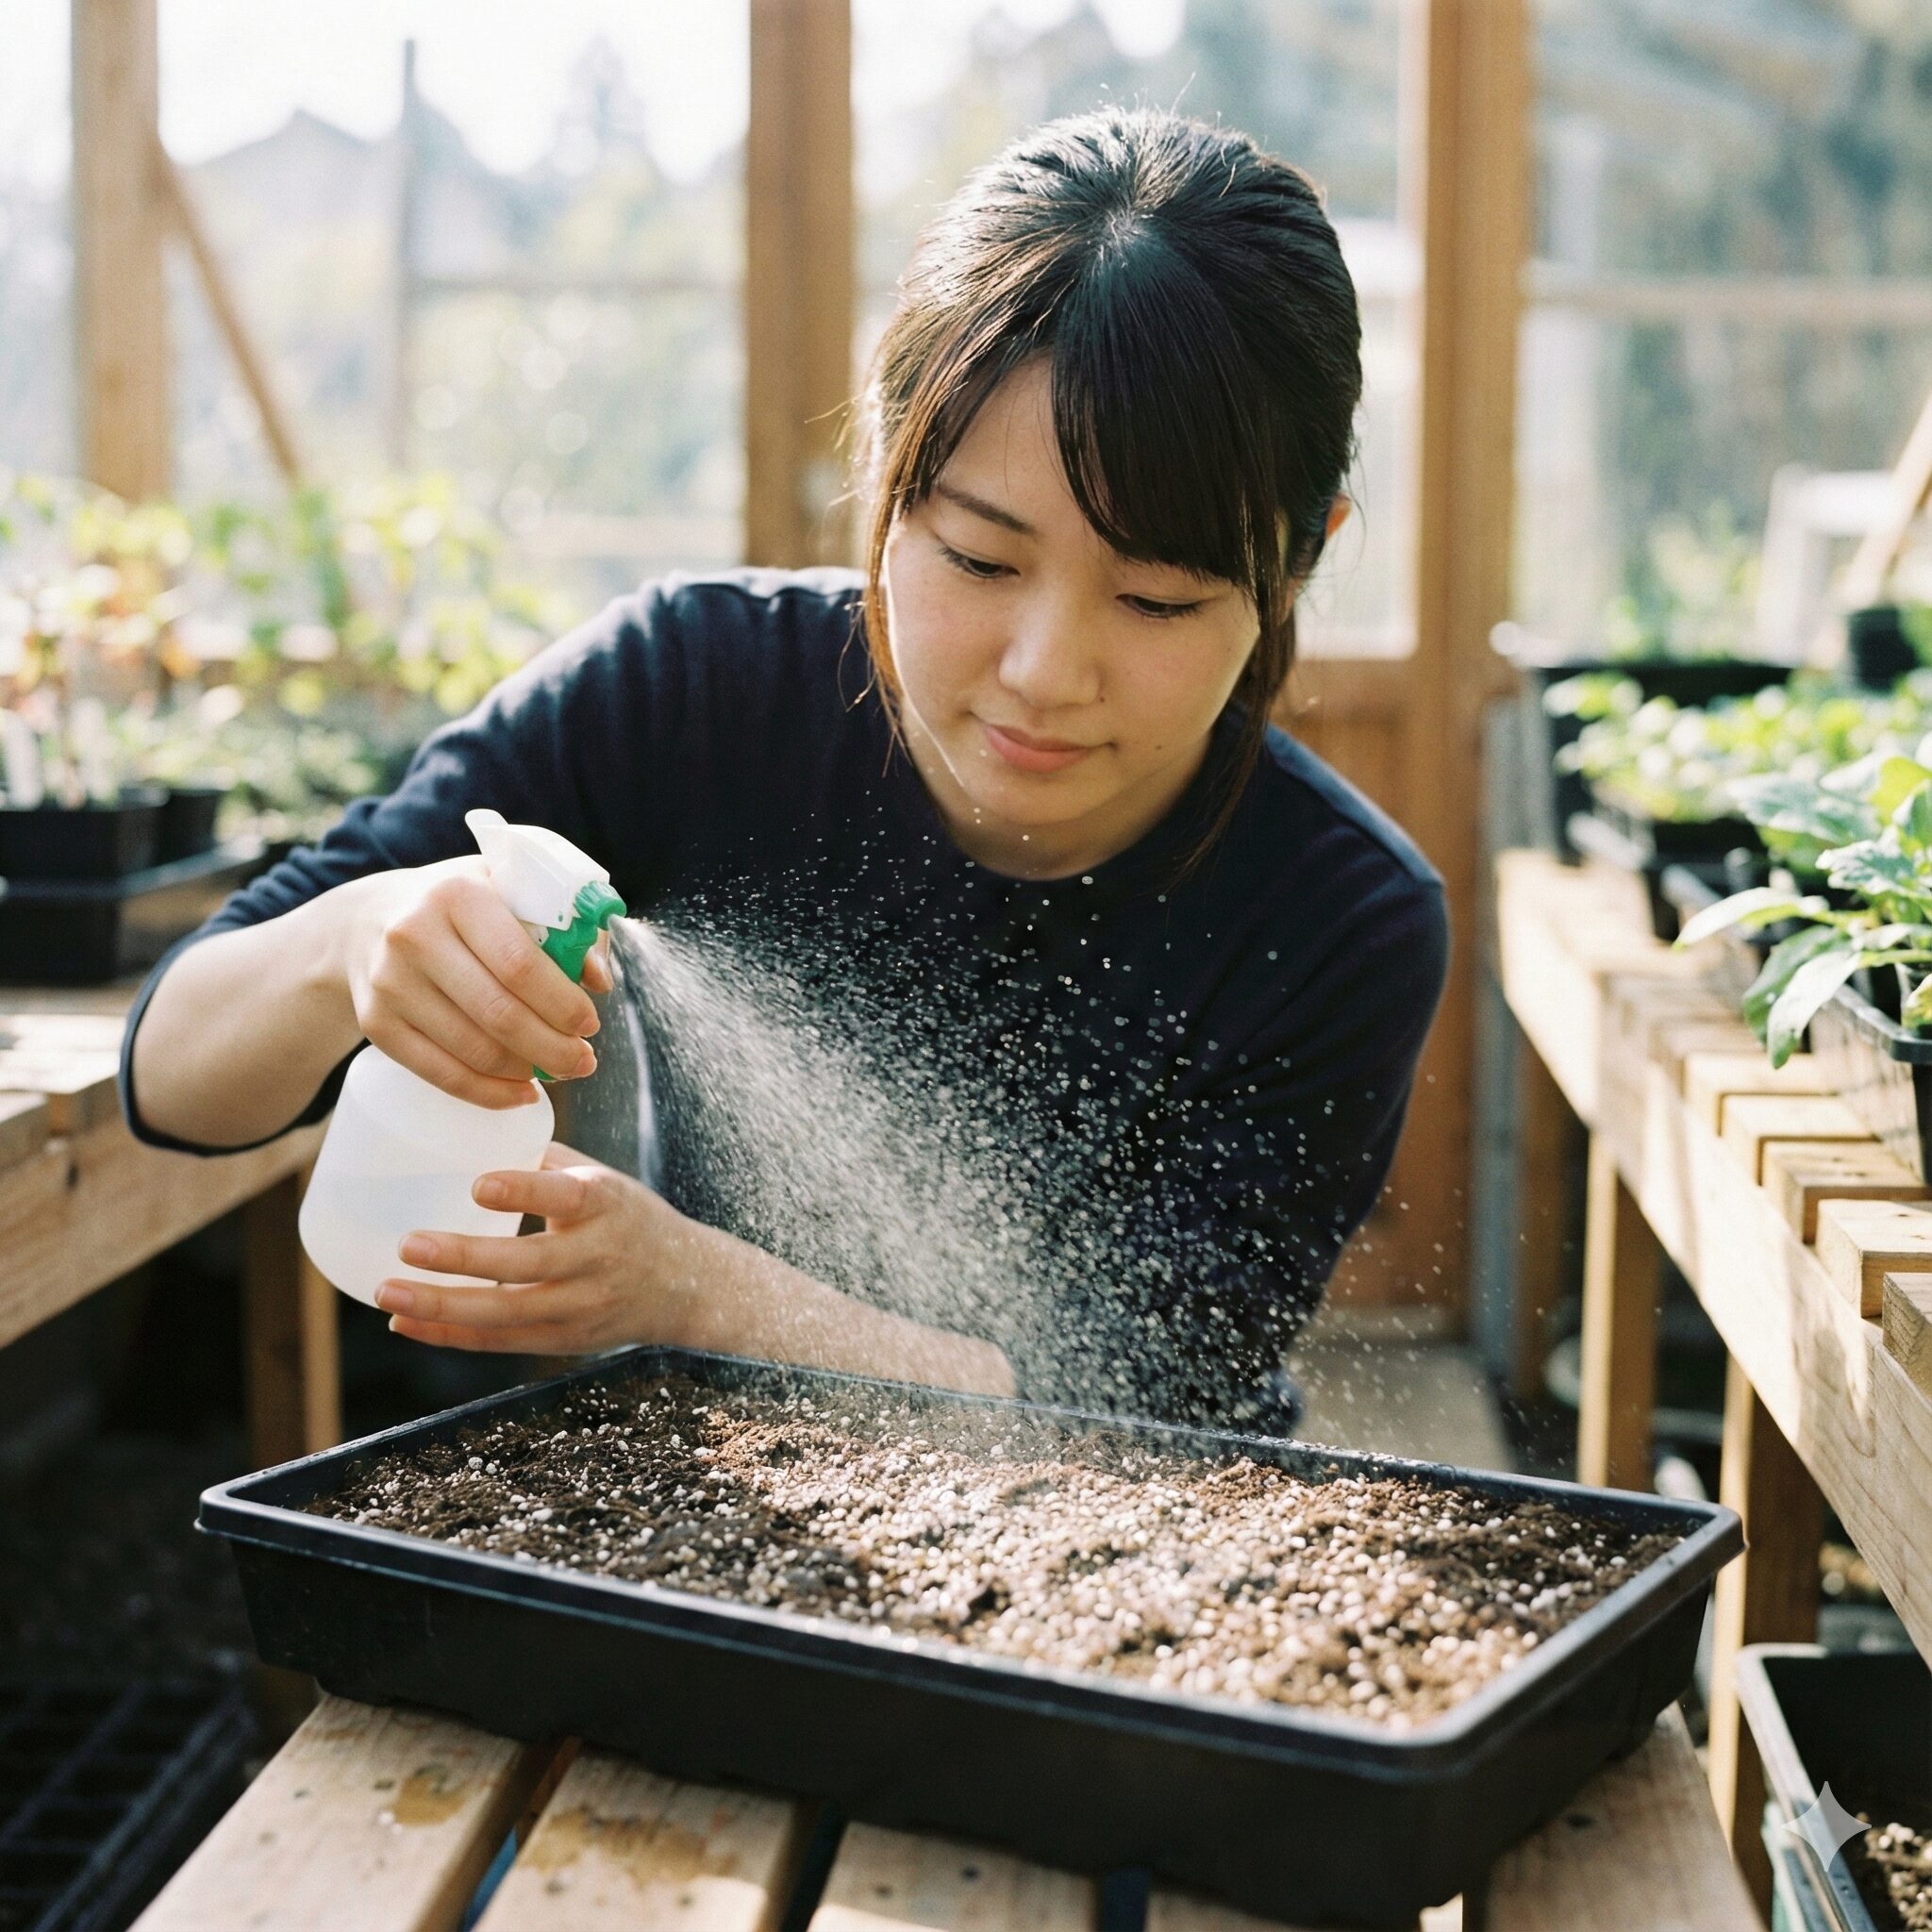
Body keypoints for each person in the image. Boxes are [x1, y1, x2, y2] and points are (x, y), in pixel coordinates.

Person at [122, 107, 1448, 1435]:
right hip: (681, 1505)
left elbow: (1147, 1416)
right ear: (883, 458)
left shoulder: (1339, 920)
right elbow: (172, 1074)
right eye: (981, 560)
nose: (1047, 670)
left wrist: (697, 1296)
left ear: (1300, 560)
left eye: (1157, 599)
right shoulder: (690, 689)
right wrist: (351, 944)